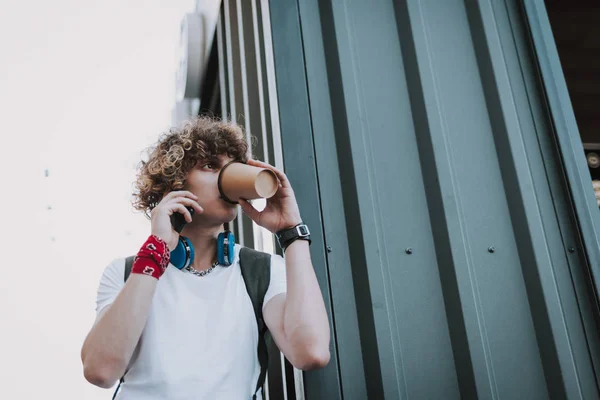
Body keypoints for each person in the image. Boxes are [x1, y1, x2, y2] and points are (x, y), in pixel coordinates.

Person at [80, 117, 331, 399]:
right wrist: (156, 249)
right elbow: (100, 370)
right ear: (173, 185)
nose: (227, 179)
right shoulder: (126, 272)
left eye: (232, 168)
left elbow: (311, 352)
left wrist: (291, 233)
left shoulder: (261, 271)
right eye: (210, 166)